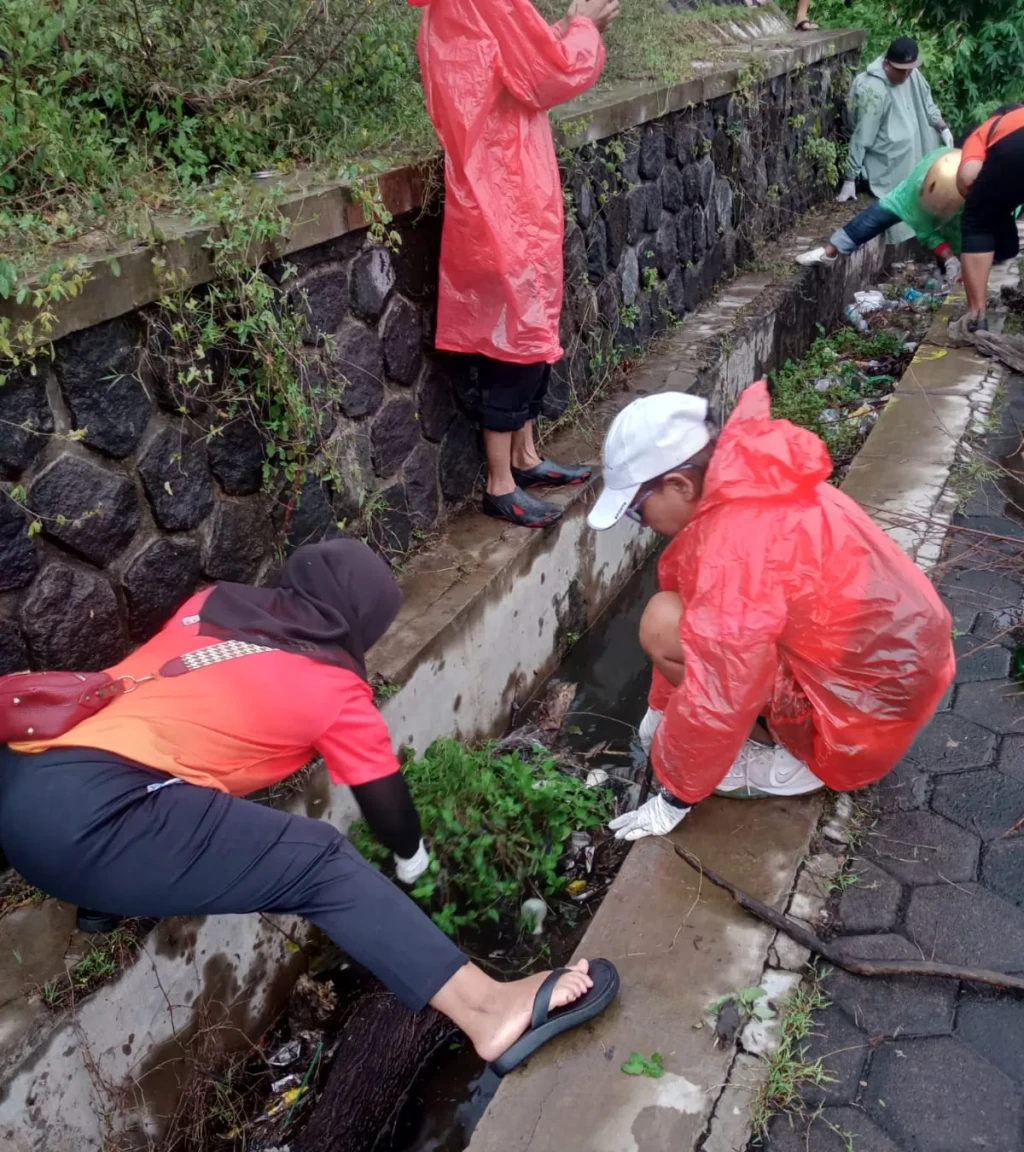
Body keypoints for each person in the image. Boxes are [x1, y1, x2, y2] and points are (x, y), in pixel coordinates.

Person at [0, 541, 617, 1074]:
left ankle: (103, 900)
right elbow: (390, 811)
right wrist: (413, 865)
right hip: (85, 822)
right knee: (320, 861)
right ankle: (489, 1010)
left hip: (29, 774)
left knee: (171, 776)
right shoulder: (334, 691)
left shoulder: (207, 607)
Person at [586, 384, 955, 841]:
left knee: (675, 641)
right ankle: (776, 736)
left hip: (853, 731)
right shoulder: (749, 479)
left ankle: (790, 763)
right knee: (668, 617)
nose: (639, 524)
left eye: (638, 512)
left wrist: (677, 794)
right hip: (888, 684)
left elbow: (725, 687)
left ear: (679, 485)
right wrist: (661, 707)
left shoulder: (735, 548)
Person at [411, 0, 618, 529]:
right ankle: (500, 482)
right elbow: (550, 72)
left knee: (524, 327)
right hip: (508, 194)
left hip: (491, 188)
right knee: (516, 339)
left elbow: (517, 57)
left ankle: (525, 457)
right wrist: (583, 26)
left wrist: (566, 30)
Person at [797, 147, 964, 281]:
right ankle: (829, 252)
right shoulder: (932, 169)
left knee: (957, 244)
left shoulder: (957, 175)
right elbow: (929, 236)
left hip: (947, 207)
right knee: (867, 222)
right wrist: (950, 258)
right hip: (902, 200)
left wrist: (951, 259)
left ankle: (950, 274)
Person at [838, 37, 953, 225]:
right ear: (887, 64)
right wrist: (850, 178)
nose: (906, 76)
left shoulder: (911, 74)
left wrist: (943, 128)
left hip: (916, 153)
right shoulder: (873, 87)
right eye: (902, 71)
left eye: (909, 71)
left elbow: (928, 104)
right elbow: (862, 137)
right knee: (899, 213)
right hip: (887, 162)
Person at [948, 104, 1024, 342]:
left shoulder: (984, 131)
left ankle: (976, 317)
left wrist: (979, 199)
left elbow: (968, 177)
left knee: (976, 218)